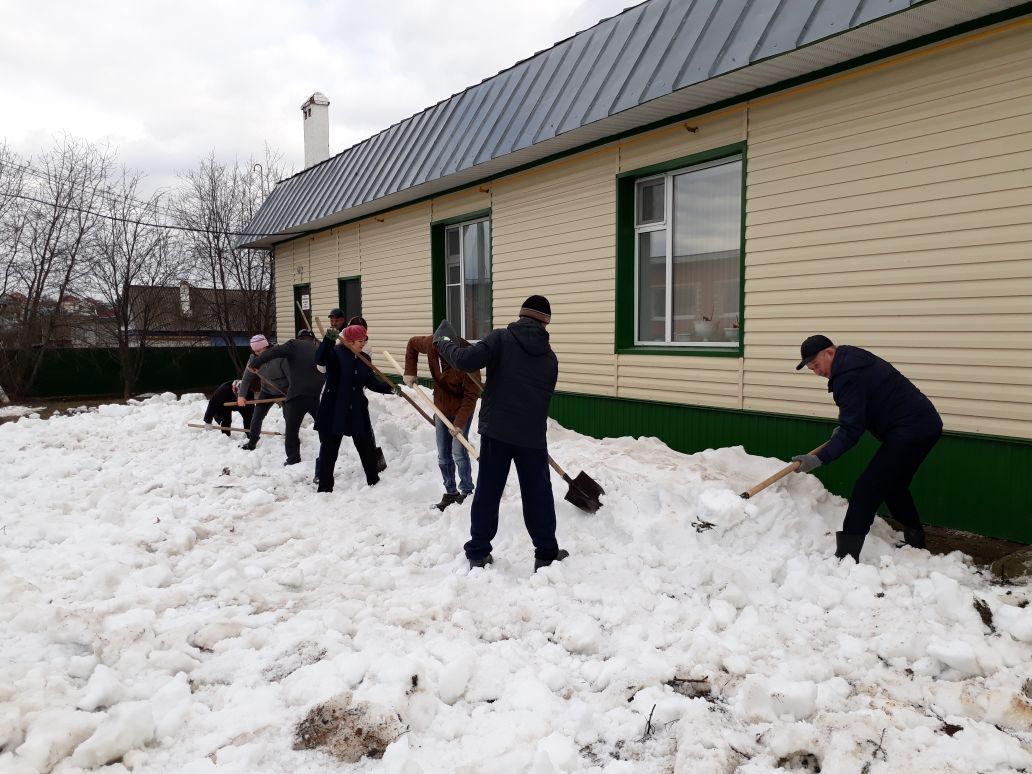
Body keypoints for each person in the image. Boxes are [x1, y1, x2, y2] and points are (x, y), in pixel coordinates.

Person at [433, 295, 568, 572]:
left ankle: (478, 552)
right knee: (538, 494)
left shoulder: (500, 339)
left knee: (488, 491)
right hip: (531, 437)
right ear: (546, 323)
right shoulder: (550, 359)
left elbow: (465, 360)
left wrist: (443, 343)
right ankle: (546, 553)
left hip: (497, 432)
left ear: (521, 316)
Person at [792, 334, 943, 562]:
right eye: (811, 368)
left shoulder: (847, 376)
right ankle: (915, 540)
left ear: (830, 353)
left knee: (868, 487)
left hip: (912, 429)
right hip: (923, 423)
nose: (817, 372)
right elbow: (862, 411)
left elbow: (851, 431)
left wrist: (820, 457)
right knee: (893, 485)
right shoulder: (852, 359)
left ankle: (846, 556)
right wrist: (846, 427)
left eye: (816, 365)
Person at [313, 324, 395, 492]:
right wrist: (328, 340)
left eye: (364, 340)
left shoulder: (364, 357)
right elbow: (320, 359)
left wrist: (390, 388)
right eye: (359, 341)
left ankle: (374, 481)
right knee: (329, 450)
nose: (363, 344)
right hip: (334, 407)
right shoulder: (335, 353)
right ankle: (325, 488)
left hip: (356, 407)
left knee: (365, 446)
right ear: (349, 341)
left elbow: (371, 383)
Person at [404, 333, 480, 510]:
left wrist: (459, 425)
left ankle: (466, 492)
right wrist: (410, 371)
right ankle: (450, 492)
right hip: (441, 407)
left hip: (462, 409)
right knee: (443, 454)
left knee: (459, 451)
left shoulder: (469, 357)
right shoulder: (432, 343)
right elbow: (412, 344)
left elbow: (471, 397)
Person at [249, 329, 325, 466]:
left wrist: (256, 363)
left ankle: (293, 459)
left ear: (298, 338)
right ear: (312, 339)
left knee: (291, 429)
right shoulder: (318, 350)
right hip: (314, 394)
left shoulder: (293, 345)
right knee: (322, 426)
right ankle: (327, 454)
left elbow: (273, 352)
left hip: (297, 395)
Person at [237, 333, 290, 451]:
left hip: (285, 390)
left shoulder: (279, 355)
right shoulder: (254, 358)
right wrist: (241, 395)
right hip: (267, 390)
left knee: (289, 416)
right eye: (254, 351)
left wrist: (292, 393)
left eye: (259, 350)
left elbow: (290, 376)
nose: (257, 353)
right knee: (257, 416)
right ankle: (252, 441)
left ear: (266, 346)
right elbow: (247, 378)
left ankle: (291, 439)